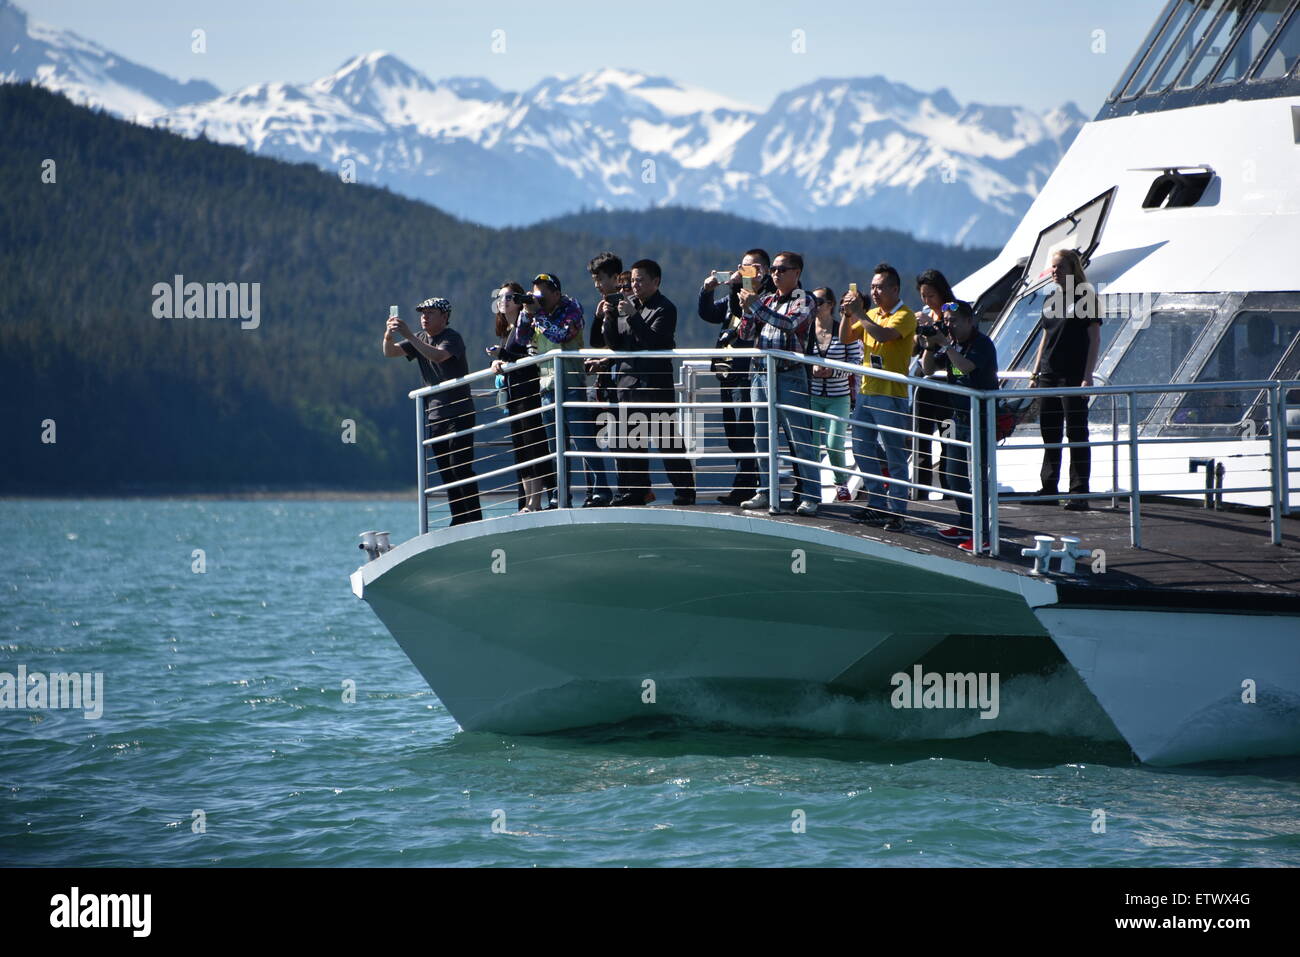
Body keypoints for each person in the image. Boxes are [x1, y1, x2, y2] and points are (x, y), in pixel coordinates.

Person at [602, 259, 696, 506]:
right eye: (632, 280)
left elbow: (653, 342)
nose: (635, 285)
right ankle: (636, 491)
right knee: (631, 442)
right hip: (627, 384)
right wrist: (610, 317)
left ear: (656, 281)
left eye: (640, 280)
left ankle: (685, 490)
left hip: (654, 385)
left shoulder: (665, 308)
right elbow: (616, 344)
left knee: (667, 441)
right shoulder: (627, 305)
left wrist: (633, 317)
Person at [383, 297, 483, 526]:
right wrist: (389, 333)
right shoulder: (420, 338)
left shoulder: (452, 338)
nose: (424, 317)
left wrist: (408, 335)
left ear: (444, 317)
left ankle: (474, 519)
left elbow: (438, 355)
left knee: (461, 466)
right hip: (435, 414)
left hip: (459, 412)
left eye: (430, 313)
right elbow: (389, 352)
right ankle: (458, 519)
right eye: (422, 313)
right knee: (446, 472)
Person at [735, 251, 822, 516]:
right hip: (761, 374)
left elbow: (789, 323)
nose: (775, 274)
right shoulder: (767, 298)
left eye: (782, 270)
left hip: (789, 374)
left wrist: (757, 307)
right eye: (773, 269)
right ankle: (766, 491)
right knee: (762, 437)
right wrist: (748, 309)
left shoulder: (804, 299)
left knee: (799, 437)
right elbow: (745, 333)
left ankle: (810, 495)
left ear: (797, 273)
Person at [523, 272, 613, 508]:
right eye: (536, 293)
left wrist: (538, 314)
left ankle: (602, 490)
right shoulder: (534, 313)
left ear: (556, 293)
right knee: (555, 448)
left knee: (583, 442)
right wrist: (525, 313)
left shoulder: (572, 308)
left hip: (571, 383)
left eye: (543, 293)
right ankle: (560, 495)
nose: (539, 298)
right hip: (547, 386)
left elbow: (561, 335)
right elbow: (522, 338)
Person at [840, 263, 917, 531]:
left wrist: (860, 314)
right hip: (866, 393)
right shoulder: (870, 313)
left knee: (895, 455)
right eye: (872, 286)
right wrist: (846, 314)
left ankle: (897, 511)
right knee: (862, 450)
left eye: (880, 287)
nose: (875, 291)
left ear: (895, 289)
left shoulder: (905, 315)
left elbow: (884, 336)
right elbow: (845, 338)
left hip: (890, 395)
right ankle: (877, 504)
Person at [920, 301, 999, 552]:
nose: (949, 325)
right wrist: (931, 345)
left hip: (981, 418)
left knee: (978, 478)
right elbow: (927, 369)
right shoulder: (952, 343)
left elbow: (966, 366)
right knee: (953, 474)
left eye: (954, 320)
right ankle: (966, 524)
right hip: (957, 417)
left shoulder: (982, 344)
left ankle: (983, 534)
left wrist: (944, 343)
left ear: (969, 321)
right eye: (946, 320)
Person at [698, 248, 771, 505]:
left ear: (762, 270)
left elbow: (752, 322)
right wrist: (708, 291)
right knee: (733, 434)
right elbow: (708, 314)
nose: (742, 271)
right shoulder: (735, 297)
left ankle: (747, 488)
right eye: (741, 266)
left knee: (746, 432)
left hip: (748, 374)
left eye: (749, 267)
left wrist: (746, 289)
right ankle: (744, 485)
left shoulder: (768, 297)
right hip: (727, 373)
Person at [1029, 248, 1101, 511]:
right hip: (1049, 374)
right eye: (1053, 267)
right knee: (1050, 433)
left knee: (1076, 432)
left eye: (1059, 267)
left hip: (1073, 374)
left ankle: (1079, 491)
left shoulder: (1086, 297)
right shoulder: (1051, 299)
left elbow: (1094, 338)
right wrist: (1035, 372)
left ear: (1072, 269)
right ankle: (1049, 488)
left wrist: (1087, 376)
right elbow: (1045, 337)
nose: (1054, 272)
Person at [490, 282, 555, 513]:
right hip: (514, 396)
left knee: (533, 446)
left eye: (510, 297)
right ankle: (528, 502)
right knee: (521, 448)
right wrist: (497, 360)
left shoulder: (524, 325)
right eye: (501, 297)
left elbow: (526, 355)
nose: (504, 301)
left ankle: (535, 502)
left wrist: (503, 356)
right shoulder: (507, 329)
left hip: (529, 392)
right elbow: (510, 356)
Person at [805, 287, 862, 502]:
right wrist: (811, 370)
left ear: (830, 304)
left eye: (818, 301)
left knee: (834, 443)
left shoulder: (844, 330)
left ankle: (841, 483)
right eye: (811, 301)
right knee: (810, 443)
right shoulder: (807, 330)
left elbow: (856, 363)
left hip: (839, 396)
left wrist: (834, 371)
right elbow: (798, 358)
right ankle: (811, 487)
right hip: (812, 395)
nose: (814, 305)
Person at [911, 269, 958, 501]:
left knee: (948, 440)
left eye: (931, 295)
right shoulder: (926, 314)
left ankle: (950, 492)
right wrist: (917, 333)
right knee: (921, 440)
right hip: (925, 388)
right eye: (923, 296)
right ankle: (920, 492)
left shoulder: (954, 310)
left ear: (942, 293)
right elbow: (913, 350)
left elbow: (958, 340)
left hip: (948, 391)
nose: (927, 301)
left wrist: (935, 326)